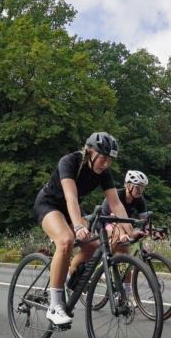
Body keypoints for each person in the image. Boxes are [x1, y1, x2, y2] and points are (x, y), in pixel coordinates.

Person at [33, 132, 132, 326]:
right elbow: (70, 197)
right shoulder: (70, 162)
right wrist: (78, 226)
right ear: (90, 152)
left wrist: (129, 229)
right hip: (49, 205)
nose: (106, 164)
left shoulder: (104, 173)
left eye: (110, 160)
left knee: (93, 246)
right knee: (66, 240)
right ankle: (54, 306)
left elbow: (116, 204)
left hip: (71, 210)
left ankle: (69, 277)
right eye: (103, 158)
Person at [96, 170, 153, 253]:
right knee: (118, 233)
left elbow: (145, 220)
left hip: (123, 226)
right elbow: (115, 219)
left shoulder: (140, 199)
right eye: (138, 187)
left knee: (126, 253)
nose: (140, 191)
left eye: (142, 188)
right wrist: (123, 234)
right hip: (105, 225)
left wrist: (154, 230)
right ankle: (105, 258)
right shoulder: (117, 196)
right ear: (129, 186)